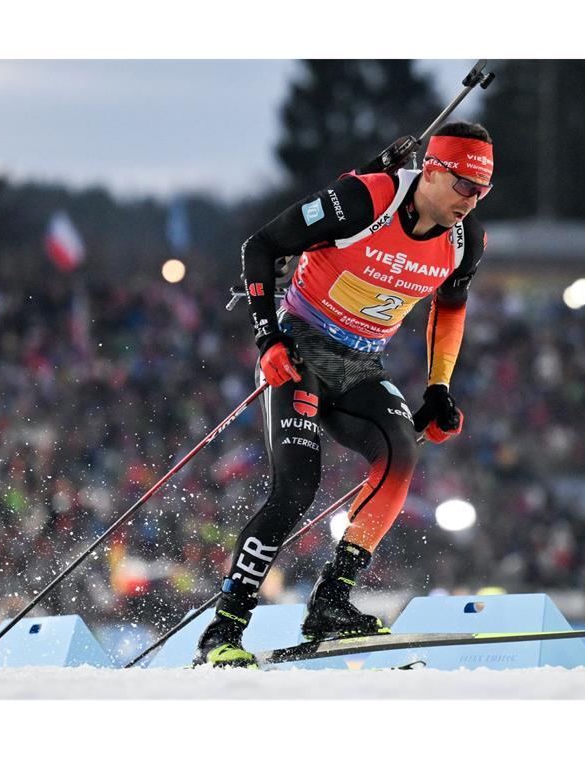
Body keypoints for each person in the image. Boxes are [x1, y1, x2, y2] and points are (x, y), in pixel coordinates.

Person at [194, 121, 494, 667]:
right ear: (431, 170)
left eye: (482, 191)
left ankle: (331, 602)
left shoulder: (465, 239)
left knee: (400, 453)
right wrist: (268, 337)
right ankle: (224, 628)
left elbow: (450, 308)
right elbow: (260, 246)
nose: (471, 202)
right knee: (296, 489)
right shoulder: (365, 199)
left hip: (360, 363)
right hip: (301, 349)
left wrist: (439, 386)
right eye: (463, 186)